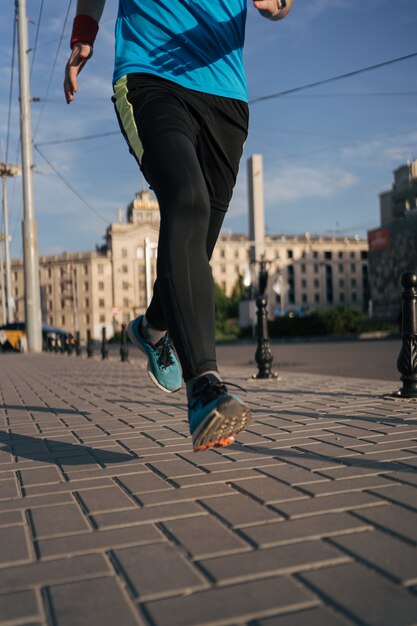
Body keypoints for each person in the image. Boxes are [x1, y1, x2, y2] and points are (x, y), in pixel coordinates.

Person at [64, 0, 294, 452]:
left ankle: (151, 327)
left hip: (226, 94)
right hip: (149, 75)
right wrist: (84, 31)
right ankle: (205, 389)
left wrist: (277, 3)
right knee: (186, 200)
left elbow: (282, 7)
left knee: (196, 241)